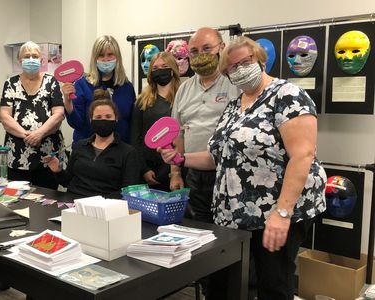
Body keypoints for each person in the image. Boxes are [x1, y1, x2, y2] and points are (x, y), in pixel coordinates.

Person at [160, 36, 326, 300]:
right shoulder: (234, 106)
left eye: (244, 62)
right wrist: (180, 160)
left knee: (273, 284)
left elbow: (303, 155)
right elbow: (217, 156)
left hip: (276, 211)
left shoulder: (287, 95)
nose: (239, 70)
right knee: (229, 283)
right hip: (235, 215)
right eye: (231, 68)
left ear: (259, 59)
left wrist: (282, 214)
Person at [171, 27, 240, 223]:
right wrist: (175, 173)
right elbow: (177, 133)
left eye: (207, 48)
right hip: (193, 173)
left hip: (228, 173)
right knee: (197, 229)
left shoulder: (235, 85)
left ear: (222, 48)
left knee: (230, 233)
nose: (201, 55)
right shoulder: (184, 89)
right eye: (194, 51)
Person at [43, 89, 141, 199]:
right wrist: (58, 171)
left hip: (106, 208)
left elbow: (128, 192)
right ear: (91, 120)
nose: (103, 120)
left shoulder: (128, 152)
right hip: (73, 203)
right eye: (98, 117)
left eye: (108, 117)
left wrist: (98, 202)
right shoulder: (80, 146)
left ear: (116, 118)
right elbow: (66, 181)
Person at [0, 41, 66, 189]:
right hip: (17, 155)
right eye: (26, 56)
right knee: (17, 200)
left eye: (34, 56)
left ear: (41, 60)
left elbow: (59, 114)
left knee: (48, 201)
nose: (30, 59)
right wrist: (27, 135)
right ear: (19, 60)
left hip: (47, 155)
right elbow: (4, 116)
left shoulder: (51, 82)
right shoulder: (11, 83)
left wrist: (40, 133)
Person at [62, 35, 136, 143]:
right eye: (101, 55)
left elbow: (131, 123)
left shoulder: (127, 87)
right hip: (88, 151)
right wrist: (68, 101)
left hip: (120, 152)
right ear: (95, 58)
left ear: (117, 57)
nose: (106, 59)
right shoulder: (82, 85)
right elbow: (77, 124)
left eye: (110, 55)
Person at [130, 51, 183, 191]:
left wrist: (175, 171)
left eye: (164, 66)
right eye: (155, 68)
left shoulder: (183, 98)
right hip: (149, 168)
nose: (159, 71)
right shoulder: (141, 101)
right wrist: (144, 169)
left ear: (173, 69)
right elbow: (135, 139)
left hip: (177, 167)